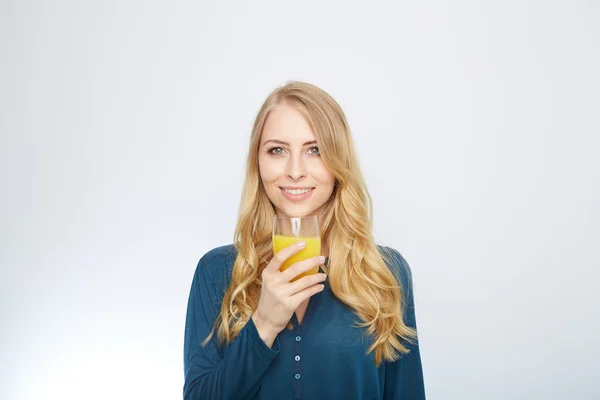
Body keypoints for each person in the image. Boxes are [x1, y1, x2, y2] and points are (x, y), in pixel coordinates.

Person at [183, 81, 425, 399]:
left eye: (315, 150)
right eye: (277, 150)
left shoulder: (385, 271)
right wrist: (265, 322)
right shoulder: (216, 271)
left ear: (339, 163)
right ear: (258, 161)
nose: (295, 171)